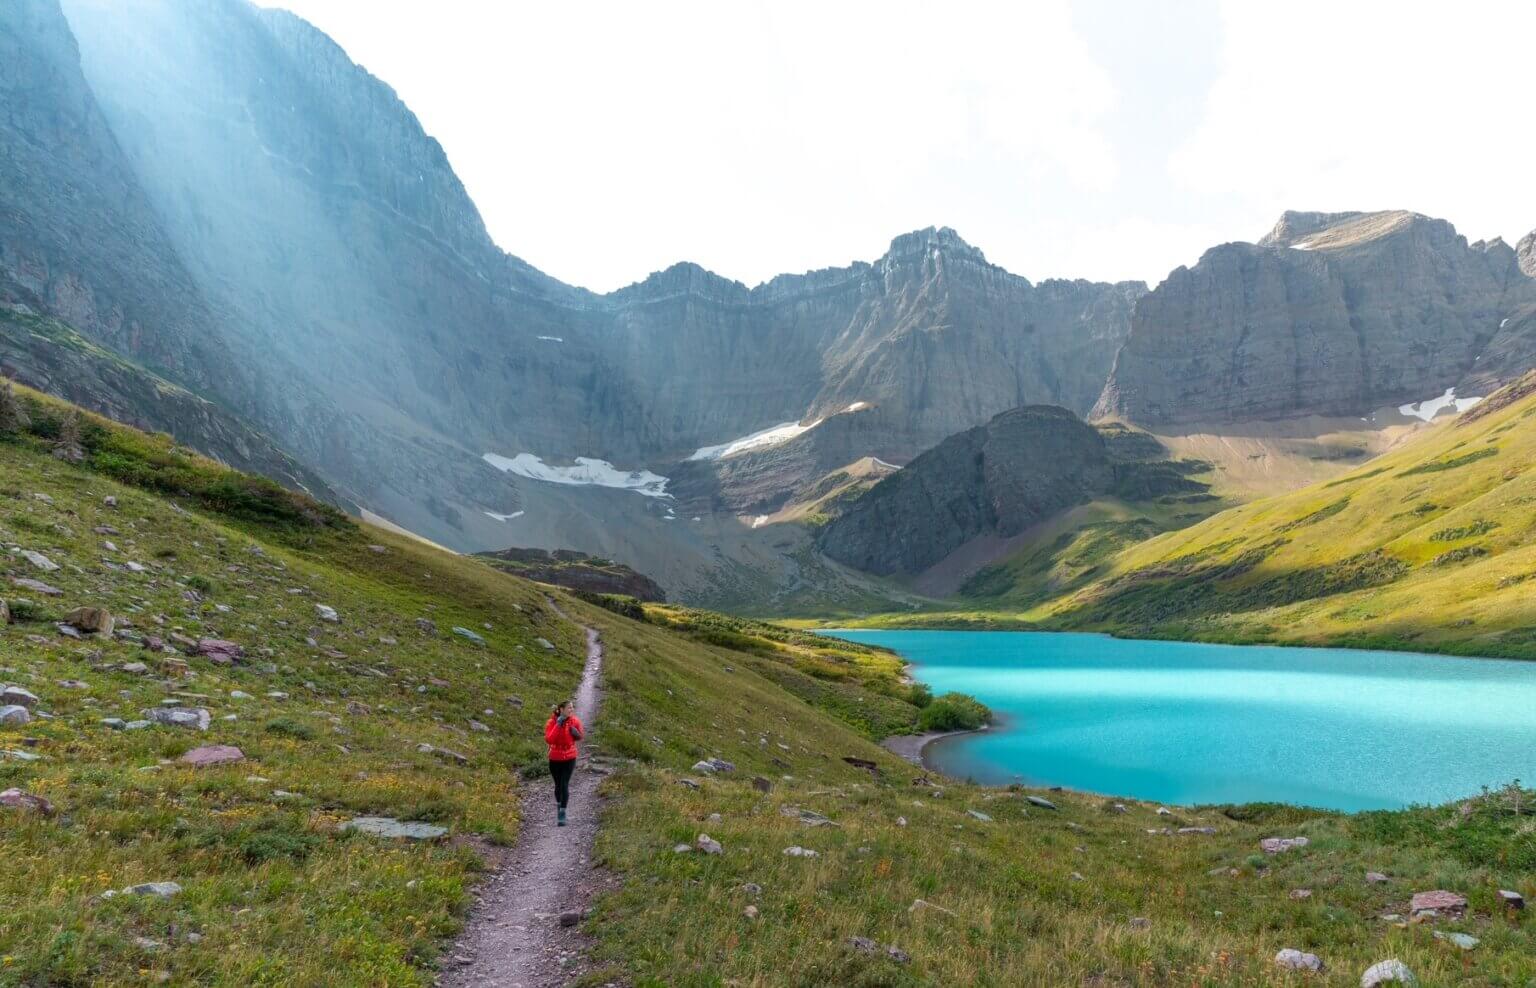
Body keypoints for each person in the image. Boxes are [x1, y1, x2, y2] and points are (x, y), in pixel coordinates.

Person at [544, 700, 584, 826]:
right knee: (558, 785)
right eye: (569, 708)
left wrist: (577, 734)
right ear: (561, 709)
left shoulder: (575, 721)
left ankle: (562, 813)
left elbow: (581, 736)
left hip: (570, 757)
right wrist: (558, 725)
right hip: (555, 757)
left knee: (564, 784)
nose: (571, 710)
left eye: (572, 708)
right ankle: (559, 805)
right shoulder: (552, 722)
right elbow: (549, 739)